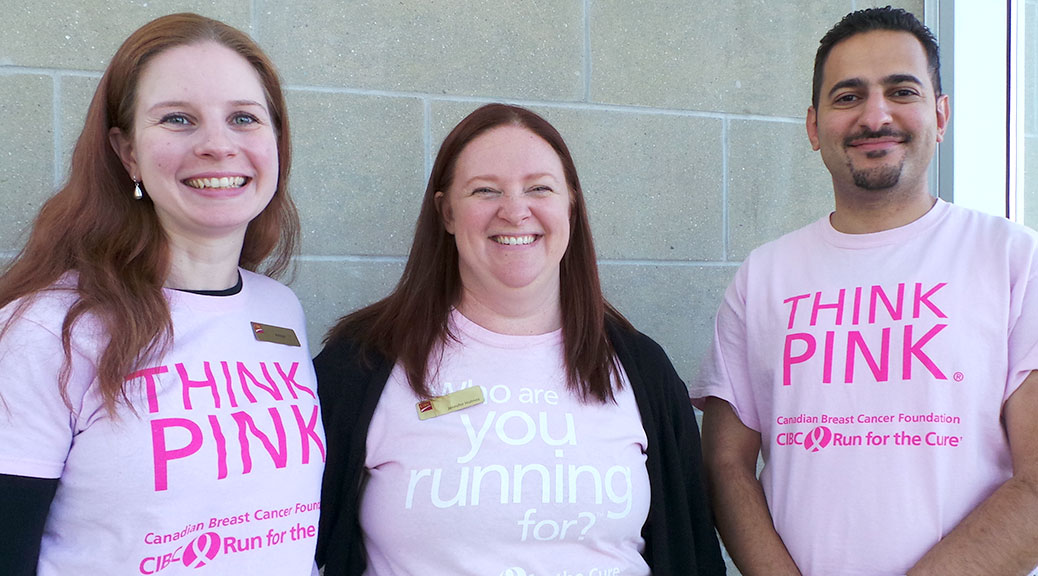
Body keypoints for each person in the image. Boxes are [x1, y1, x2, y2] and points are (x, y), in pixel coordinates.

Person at [693, 6, 1038, 576]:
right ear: (813, 126)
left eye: (901, 90)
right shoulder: (764, 277)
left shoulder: (1013, 259)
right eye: (848, 96)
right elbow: (726, 464)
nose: (875, 116)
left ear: (941, 113)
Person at [314, 103, 725, 576]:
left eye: (539, 188)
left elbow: (694, 550)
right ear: (446, 212)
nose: (514, 211)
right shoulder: (362, 362)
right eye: (485, 190)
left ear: (570, 203)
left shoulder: (641, 368)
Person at [0, 13, 324, 576]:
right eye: (178, 119)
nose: (218, 146)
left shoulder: (280, 309)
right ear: (127, 152)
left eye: (244, 118)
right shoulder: (47, 329)